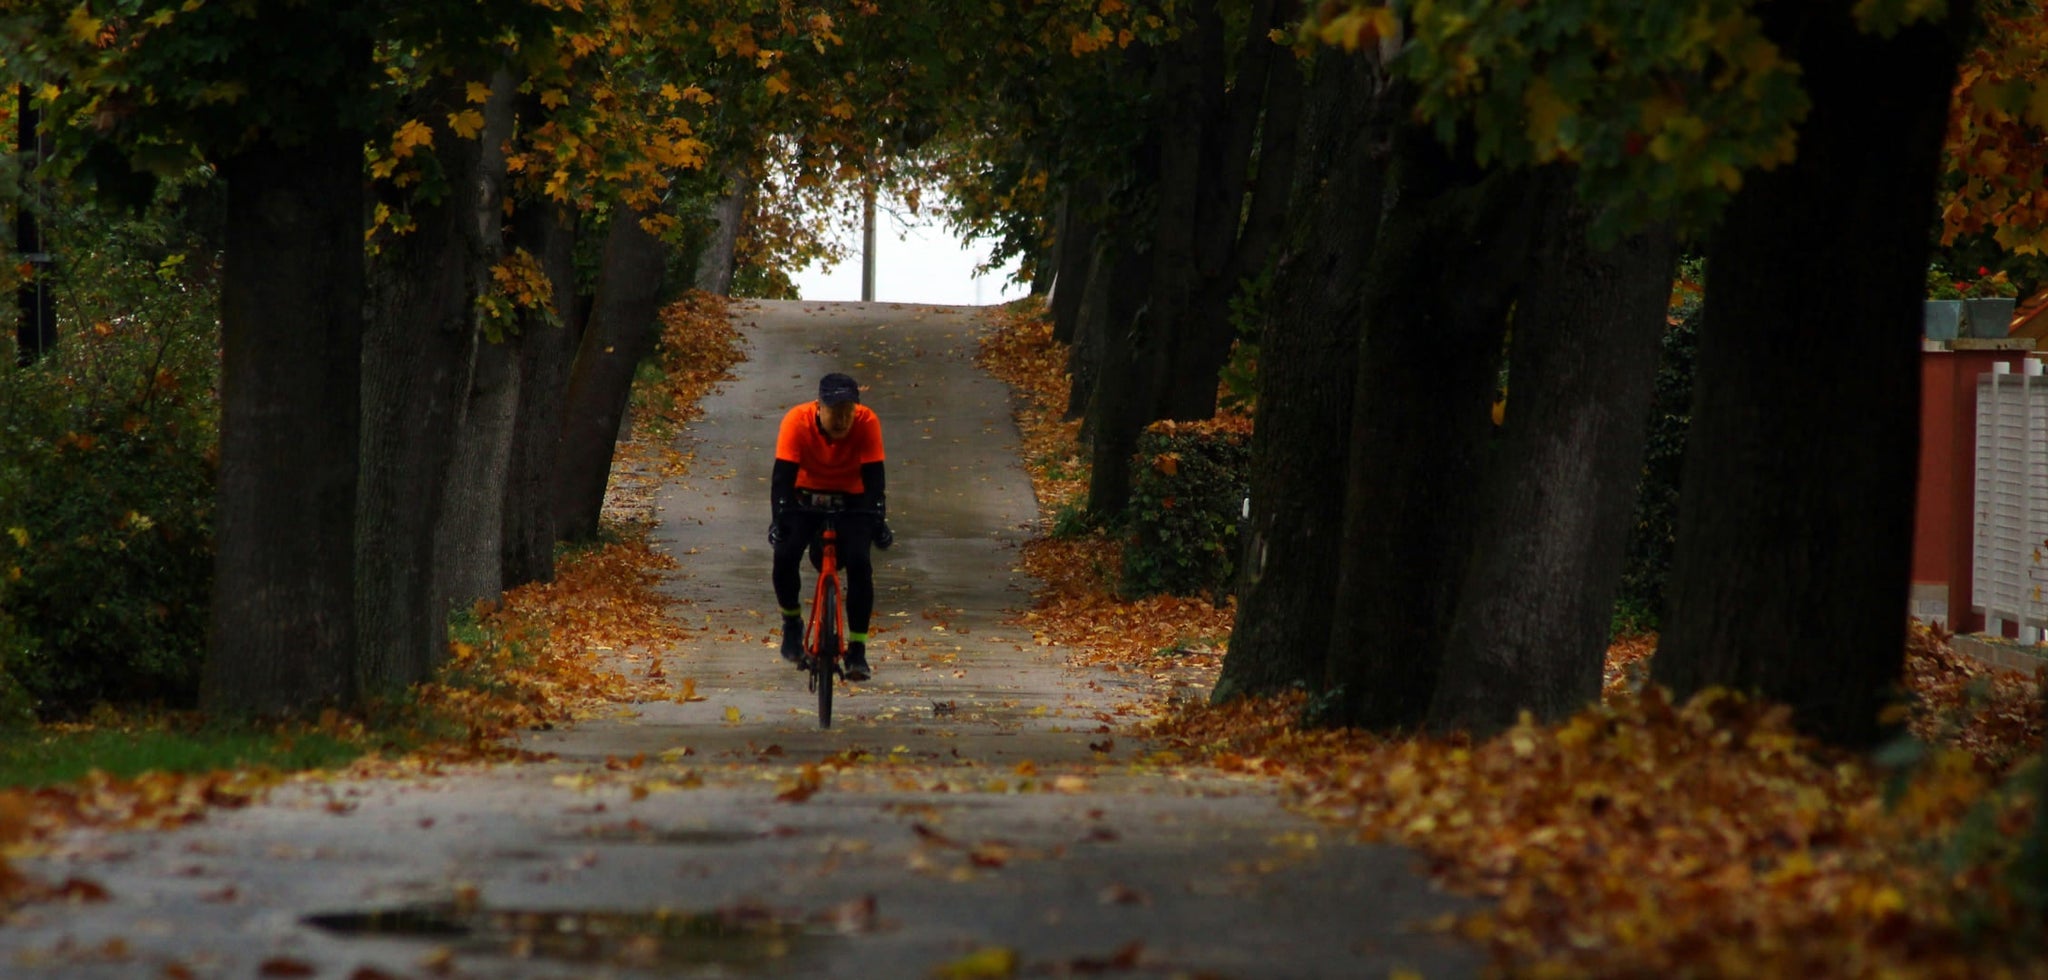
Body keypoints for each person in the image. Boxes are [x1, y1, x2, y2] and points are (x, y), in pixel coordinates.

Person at [769, 372, 893, 681]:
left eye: (848, 411)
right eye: (835, 411)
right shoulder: (796, 421)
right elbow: (782, 479)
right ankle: (792, 623)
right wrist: (779, 519)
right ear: (818, 407)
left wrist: (878, 519)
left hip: (853, 501)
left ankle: (858, 650)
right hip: (805, 497)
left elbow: (875, 479)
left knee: (861, 564)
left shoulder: (867, 423)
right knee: (785, 554)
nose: (842, 419)